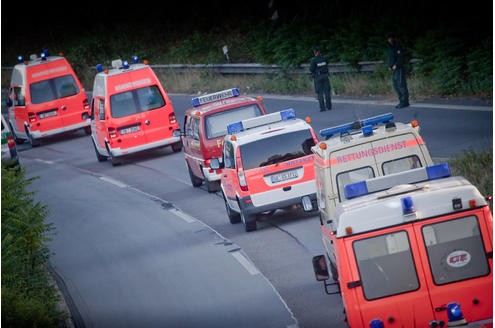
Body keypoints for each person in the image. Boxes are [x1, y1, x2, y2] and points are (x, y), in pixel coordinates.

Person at [387, 34, 410, 108]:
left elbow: (400, 57)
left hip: (399, 69)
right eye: (388, 39)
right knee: (396, 86)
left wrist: (396, 65)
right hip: (393, 70)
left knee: (401, 85)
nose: (389, 40)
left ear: (394, 39)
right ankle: (401, 101)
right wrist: (389, 66)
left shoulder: (398, 47)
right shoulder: (391, 48)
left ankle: (405, 102)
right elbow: (390, 58)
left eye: (391, 39)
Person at [309, 46, 332, 112]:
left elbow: (311, 69)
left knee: (320, 93)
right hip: (325, 76)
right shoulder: (324, 58)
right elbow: (327, 64)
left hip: (318, 77)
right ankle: (329, 106)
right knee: (327, 91)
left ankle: (322, 108)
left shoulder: (314, 60)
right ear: (320, 52)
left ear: (315, 52)